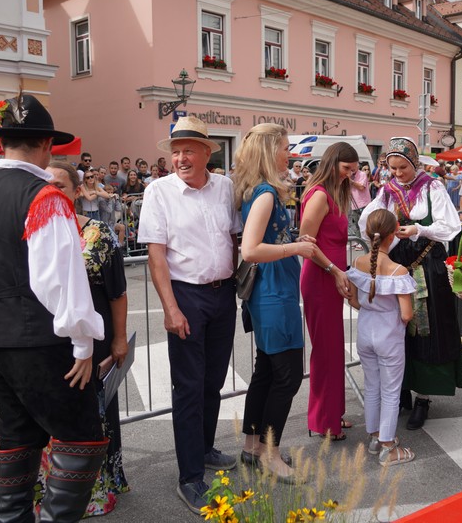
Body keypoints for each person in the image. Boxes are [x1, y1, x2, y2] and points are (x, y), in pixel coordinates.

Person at [0, 95, 108, 522]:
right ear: (47, 145)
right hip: (40, 342)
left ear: (3, 143)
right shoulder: (45, 198)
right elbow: (60, 280)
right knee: (79, 437)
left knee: (17, 436)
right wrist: (83, 344)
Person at [136, 116, 241, 514]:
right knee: (189, 388)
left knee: (213, 382)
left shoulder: (224, 187)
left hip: (222, 294)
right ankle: (190, 477)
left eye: (188, 151)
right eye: (176, 151)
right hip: (186, 296)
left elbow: (233, 237)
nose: (180, 158)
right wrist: (171, 308)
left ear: (206, 153)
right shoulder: (158, 192)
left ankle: (204, 448)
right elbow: (156, 256)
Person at [38, 160, 130, 517]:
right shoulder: (32, 232)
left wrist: (119, 340)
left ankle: (99, 485)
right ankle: (56, 488)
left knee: (95, 411)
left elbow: (117, 293)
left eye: (59, 186)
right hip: (48, 344)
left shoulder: (98, 234)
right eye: (45, 185)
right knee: (52, 415)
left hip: (94, 341)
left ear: (77, 192)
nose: (51, 192)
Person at [358, 138, 462, 431]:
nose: (397, 173)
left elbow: (450, 226)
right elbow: (368, 221)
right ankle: (400, 390)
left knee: (426, 331)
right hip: (396, 267)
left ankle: (424, 397)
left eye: (402, 167)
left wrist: (419, 229)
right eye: (392, 168)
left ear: (414, 163)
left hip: (427, 266)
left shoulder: (432, 186)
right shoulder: (387, 191)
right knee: (397, 330)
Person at [234, 124, 317, 482]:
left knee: (267, 370)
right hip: (274, 293)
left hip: (271, 291)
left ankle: (253, 447)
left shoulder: (257, 190)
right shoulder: (266, 193)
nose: (290, 154)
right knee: (287, 376)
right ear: (269, 151)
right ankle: (271, 453)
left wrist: (291, 243)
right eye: (285, 147)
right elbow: (250, 249)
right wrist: (296, 247)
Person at [346, 209, 416, 466]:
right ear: (392, 235)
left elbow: (353, 300)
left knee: (372, 386)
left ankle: (375, 436)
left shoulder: (358, 263)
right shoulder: (398, 271)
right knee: (390, 391)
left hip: (365, 331)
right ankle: (388, 446)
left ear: (367, 233)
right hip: (389, 335)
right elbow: (406, 314)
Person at [299, 142, 357, 441]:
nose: (349, 175)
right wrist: (334, 270)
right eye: (346, 169)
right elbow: (306, 241)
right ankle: (324, 421)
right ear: (333, 163)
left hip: (332, 276)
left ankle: (332, 414)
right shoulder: (320, 194)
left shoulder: (333, 193)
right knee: (326, 351)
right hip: (321, 277)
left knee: (333, 350)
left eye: (353, 170)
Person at [348, 163, 372, 239]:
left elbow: (361, 187)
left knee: (365, 225)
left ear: (358, 166)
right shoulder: (349, 175)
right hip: (354, 205)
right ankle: (359, 241)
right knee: (356, 225)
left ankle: (366, 241)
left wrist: (351, 181)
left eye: (354, 166)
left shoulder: (362, 174)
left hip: (363, 204)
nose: (352, 168)